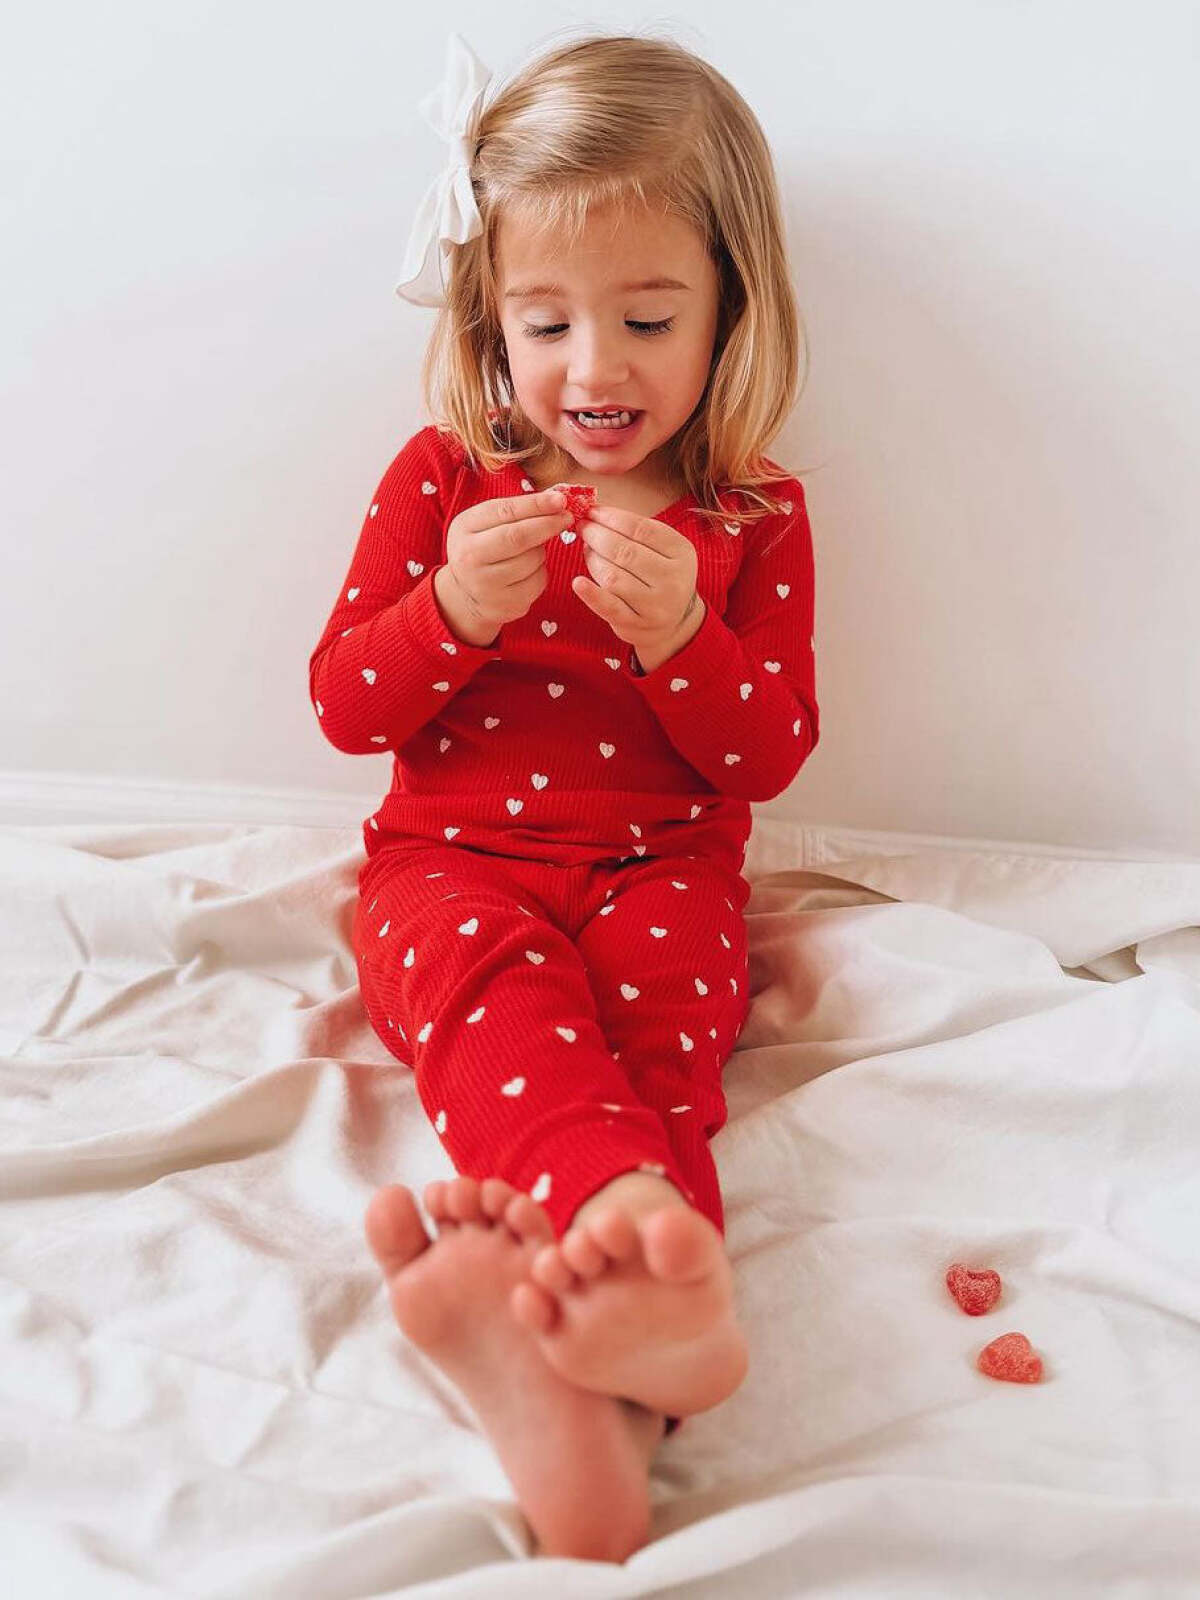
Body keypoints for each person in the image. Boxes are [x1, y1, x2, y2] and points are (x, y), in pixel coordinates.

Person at [308, 29, 820, 1564]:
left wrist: (684, 640)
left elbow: (771, 750)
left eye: (648, 316)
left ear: (729, 306)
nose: (595, 369)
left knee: (667, 1054)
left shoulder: (752, 511)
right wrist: (448, 614)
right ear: (491, 317)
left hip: (666, 870)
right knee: (505, 1006)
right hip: (446, 870)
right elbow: (343, 704)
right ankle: (637, 1282)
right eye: (547, 321)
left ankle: (599, 1415)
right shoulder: (445, 480)